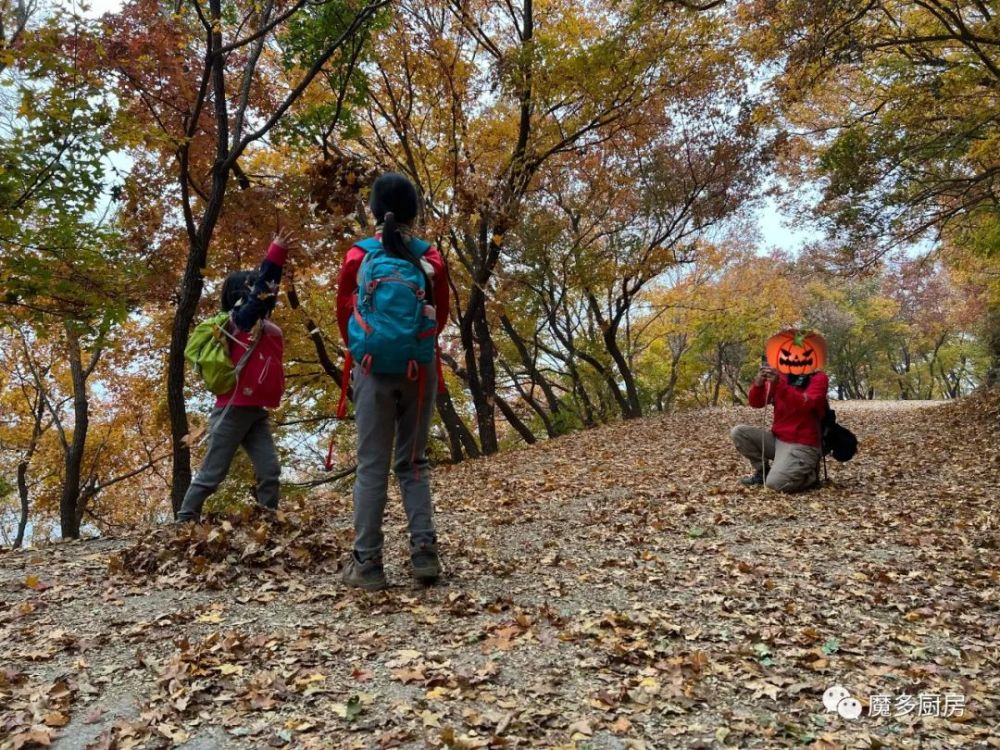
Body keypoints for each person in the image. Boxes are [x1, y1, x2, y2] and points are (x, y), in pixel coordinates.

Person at [335, 172, 449, 591]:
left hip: (372, 367)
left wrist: (369, 350)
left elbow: (345, 315)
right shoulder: (430, 258)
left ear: (373, 209)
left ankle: (367, 564)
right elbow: (442, 316)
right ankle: (424, 554)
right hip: (419, 370)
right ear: (414, 213)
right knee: (413, 464)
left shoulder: (358, 255)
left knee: (371, 467)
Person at [176, 230, 292, 522]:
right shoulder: (236, 324)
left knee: (269, 470)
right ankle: (185, 520)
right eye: (252, 290)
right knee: (212, 474)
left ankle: (269, 519)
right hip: (231, 410)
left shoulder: (256, 325)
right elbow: (261, 293)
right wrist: (276, 253)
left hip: (254, 411)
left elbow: (265, 295)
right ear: (242, 296)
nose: (263, 298)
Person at [731, 362, 829, 492]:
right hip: (778, 439)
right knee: (739, 432)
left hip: (804, 444)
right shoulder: (781, 376)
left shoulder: (818, 378)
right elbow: (757, 402)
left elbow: (807, 404)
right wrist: (759, 384)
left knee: (775, 484)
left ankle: (810, 476)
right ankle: (763, 472)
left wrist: (780, 385)